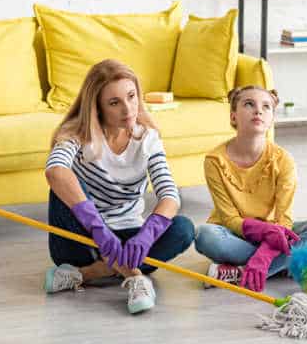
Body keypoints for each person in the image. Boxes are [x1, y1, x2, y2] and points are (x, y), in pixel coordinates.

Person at [43, 59, 195, 314]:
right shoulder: (76, 134)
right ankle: (135, 277)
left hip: (129, 237)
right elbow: (55, 171)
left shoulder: (147, 137)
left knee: (183, 228)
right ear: (98, 108)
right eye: (114, 103)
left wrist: (147, 234)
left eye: (132, 96)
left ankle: (88, 274)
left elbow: (169, 194)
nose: (128, 109)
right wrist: (99, 230)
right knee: (64, 184)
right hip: (81, 241)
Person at [194, 85, 307, 292]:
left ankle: (240, 273)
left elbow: (284, 220)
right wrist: (265, 235)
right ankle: (288, 262)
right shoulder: (215, 160)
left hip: (277, 231)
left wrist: (264, 255)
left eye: (266, 107)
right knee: (204, 236)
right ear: (233, 117)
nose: (258, 111)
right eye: (249, 104)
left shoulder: (284, 160)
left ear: (271, 120)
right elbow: (230, 219)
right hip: (234, 233)